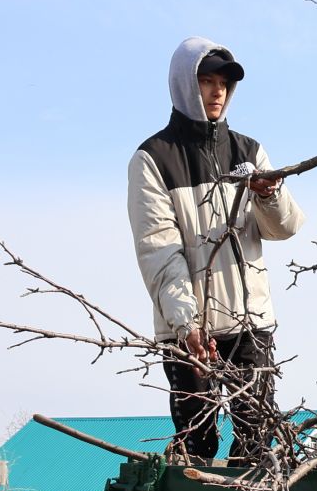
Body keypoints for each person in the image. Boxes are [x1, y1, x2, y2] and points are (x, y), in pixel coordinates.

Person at [129, 37, 305, 466]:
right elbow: (160, 253)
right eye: (206, 81)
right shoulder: (153, 159)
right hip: (189, 333)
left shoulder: (250, 153)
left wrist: (269, 194)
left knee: (256, 447)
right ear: (183, 85)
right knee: (197, 448)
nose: (217, 92)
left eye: (223, 83)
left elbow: (285, 228)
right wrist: (187, 324)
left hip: (251, 325)